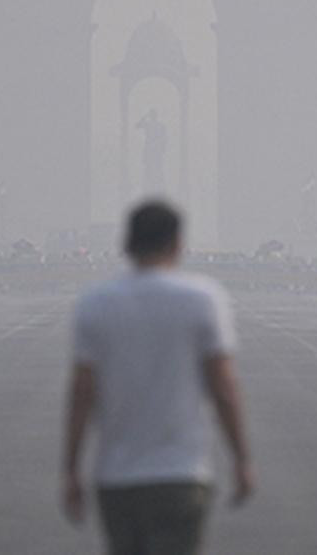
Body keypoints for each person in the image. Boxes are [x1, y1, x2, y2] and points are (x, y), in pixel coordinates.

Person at [62, 201, 253, 555]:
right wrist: (241, 459)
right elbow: (224, 388)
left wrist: (71, 469)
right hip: (181, 473)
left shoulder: (95, 303)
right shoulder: (202, 300)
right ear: (178, 244)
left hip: (117, 477)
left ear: (127, 243)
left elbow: (81, 393)